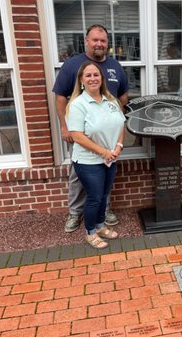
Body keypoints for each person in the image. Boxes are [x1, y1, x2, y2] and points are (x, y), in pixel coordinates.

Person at [53, 24, 129, 232]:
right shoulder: (72, 65)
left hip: (108, 137)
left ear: (107, 44)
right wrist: (64, 126)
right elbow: (60, 97)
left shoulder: (114, 66)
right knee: (79, 177)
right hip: (82, 133)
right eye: (95, 40)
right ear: (86, 41)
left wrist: (116, 121)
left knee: (104, 178)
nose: (99, 44)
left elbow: (123, 96)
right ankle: (75, 212)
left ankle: (103, 213)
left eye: (103, 41)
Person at [66, 61, 125, 249]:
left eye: (96, 75)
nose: (93, 78)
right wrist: (104, 152)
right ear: (82, 80)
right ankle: (90, 233)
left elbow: (120, 124)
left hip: (110, 158)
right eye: (88, 75)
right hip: (88, 161)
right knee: (95, 197)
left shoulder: (111, 100)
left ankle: (100, 227)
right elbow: (77, 136)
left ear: (102, 78)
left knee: (104, 195)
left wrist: (118, 146)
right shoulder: (78, 104)